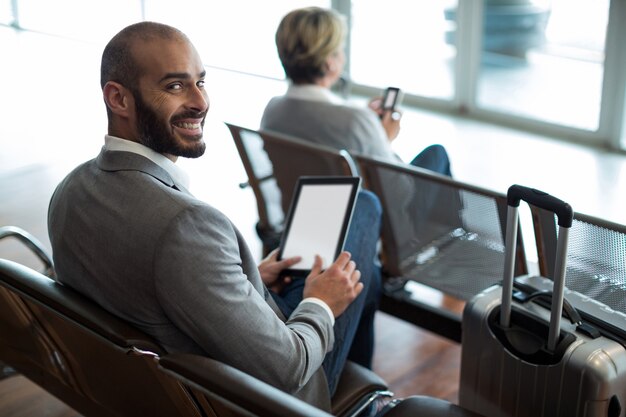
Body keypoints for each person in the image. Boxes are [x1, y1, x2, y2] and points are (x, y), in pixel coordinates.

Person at [47, 21, 382, 412]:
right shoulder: (184, 226)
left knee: (351, 269)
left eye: (200, 82)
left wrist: (242, 275)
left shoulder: (69, 191)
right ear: (118, 99)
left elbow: (153, 283)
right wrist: (321, 304)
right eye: (174, 86)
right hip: (266, 395)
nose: (200, 102)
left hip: (154, 385)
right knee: (363, 207)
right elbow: (287, 370)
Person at [261, 6, 453, 177]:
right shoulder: (355, 121)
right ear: (329, 64)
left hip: (300, 209)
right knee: (437, 154)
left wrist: (365, 121)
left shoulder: (273, 109)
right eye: (340, 49)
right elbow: (396, 192)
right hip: (359, 212)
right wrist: (384, 139)